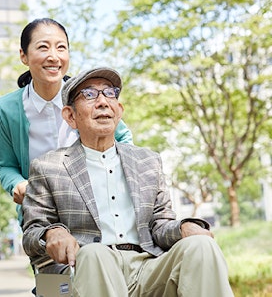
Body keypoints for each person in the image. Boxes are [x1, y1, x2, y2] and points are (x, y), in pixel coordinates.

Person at [22, 67, 234, 296]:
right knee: (95, 254)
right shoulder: (48, 167)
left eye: (110, 93)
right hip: (87, 269)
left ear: (119, 110)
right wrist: (52, 233)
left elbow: (160, 226)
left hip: (148, 266)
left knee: (201, 246)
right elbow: (33, 232)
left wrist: (185, 227)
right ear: (70, 116)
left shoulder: (148, 161)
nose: (103, 101)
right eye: (89, 94)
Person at [0, 18, 132, 225]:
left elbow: (123, 138)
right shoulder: (7, 108)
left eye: (61, 48)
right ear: (23, 56)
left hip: (97, 205)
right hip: (41, 212)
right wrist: (18, 184)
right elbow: (5, 165)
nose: (54, 57)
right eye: (43, 47)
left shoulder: (89, 98)